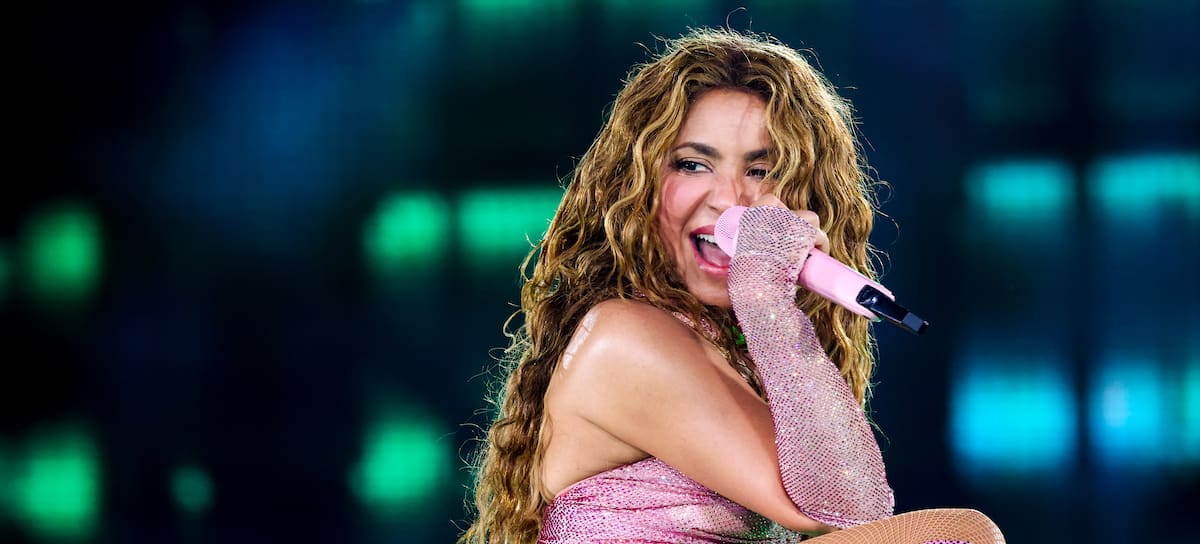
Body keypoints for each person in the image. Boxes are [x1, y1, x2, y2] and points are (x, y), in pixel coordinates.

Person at [460, 28, 1004, 544]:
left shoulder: (732, 345)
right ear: (637, 186)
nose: (730, 201)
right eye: (693, 164)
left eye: (761, 171)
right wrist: (766, 297)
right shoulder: (625, 338)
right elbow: (847, 509)